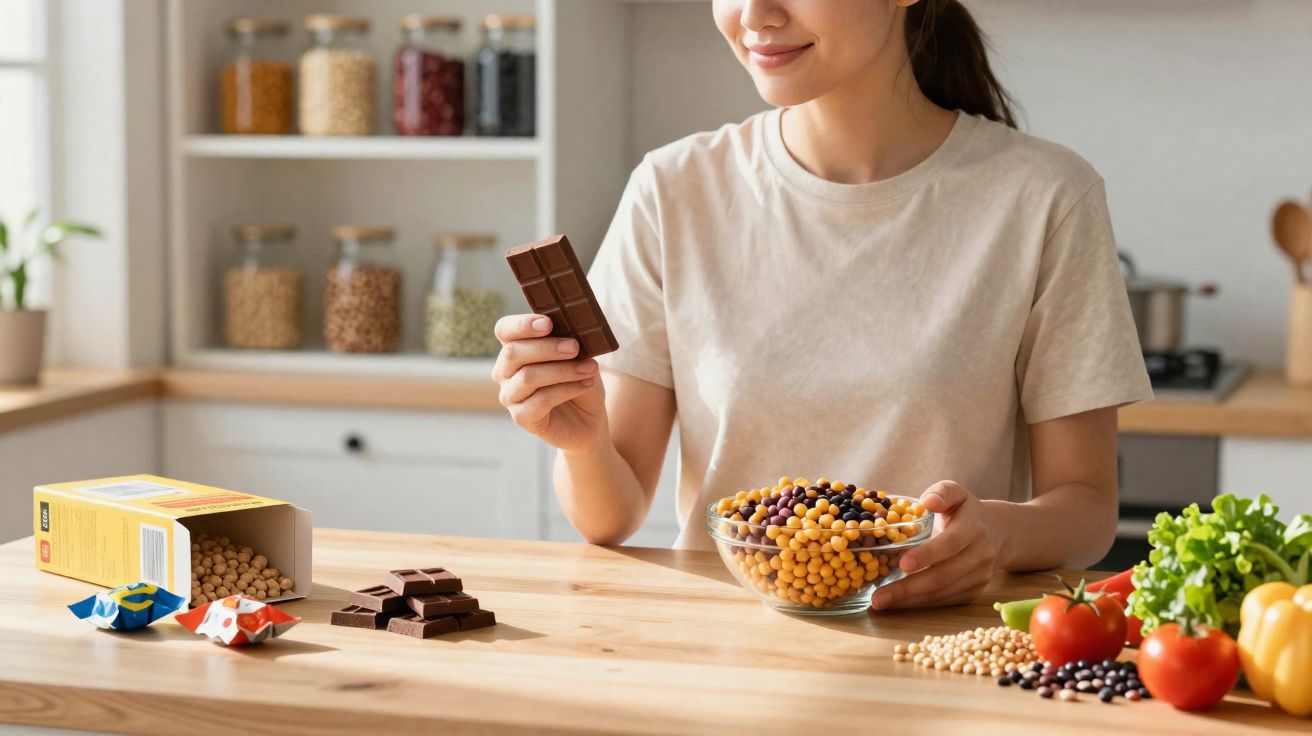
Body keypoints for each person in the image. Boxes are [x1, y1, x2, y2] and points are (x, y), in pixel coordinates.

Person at [491, 0, 1152, 610]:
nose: (755, 14)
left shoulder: (1045, 197)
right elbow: (611, 516)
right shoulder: (673, 190)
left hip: (931, 652)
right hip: (721, 657)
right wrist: (582, 441)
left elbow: (1088, 509)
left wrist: (998, 533)